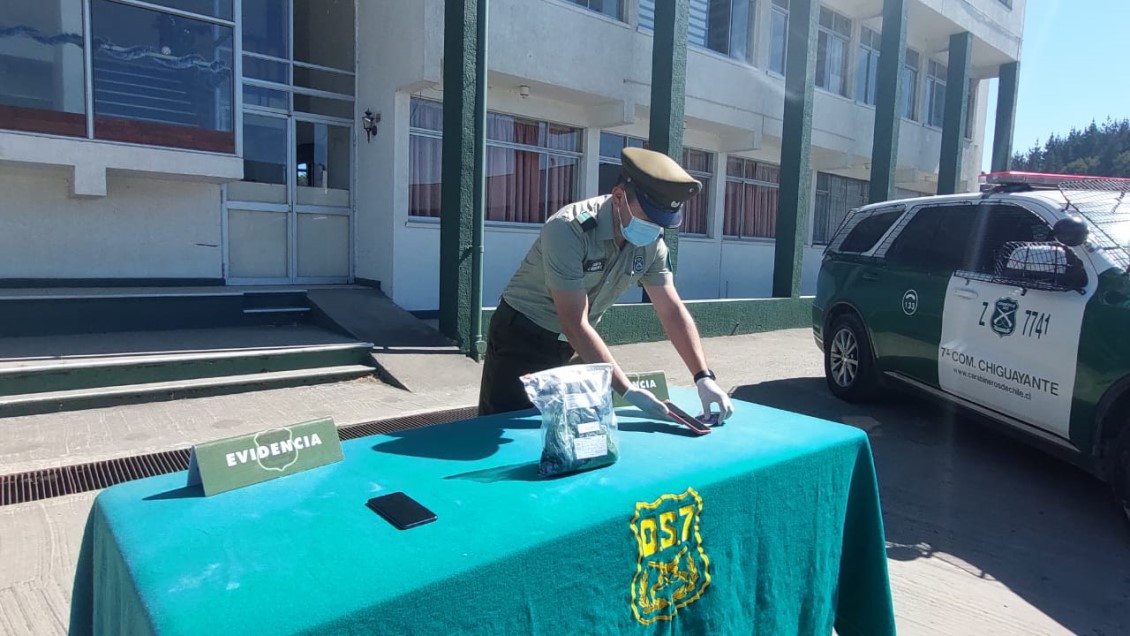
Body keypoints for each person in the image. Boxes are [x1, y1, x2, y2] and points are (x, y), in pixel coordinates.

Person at [478, 146, 734, 422]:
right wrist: (627, 390)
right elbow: (574, 323)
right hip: (523, 335)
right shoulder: (569, 229)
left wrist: (702, 377)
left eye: (661, 223)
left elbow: (671, 310)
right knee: (503, 426)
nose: (653, 228)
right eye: (647, 218)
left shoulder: (650, 244)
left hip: (576, 344)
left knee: (569, 428)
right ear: (618, 197)